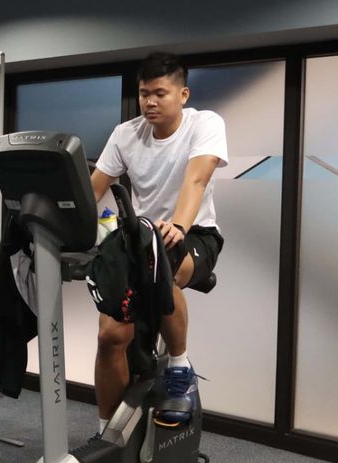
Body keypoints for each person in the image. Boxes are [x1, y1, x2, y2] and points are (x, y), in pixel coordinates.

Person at [90, 52, 228, 433]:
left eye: (160, 94)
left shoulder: (205, 124)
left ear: (182, 94)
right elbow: (93, 190)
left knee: (160, 262)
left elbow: (196, 181)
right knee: (110, 336)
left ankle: (180, 366)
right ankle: (108, 433)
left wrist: (180, 227)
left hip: (194, 234)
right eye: (143, 93)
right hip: (140, 238)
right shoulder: (126, 134)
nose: (149, 102)